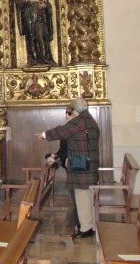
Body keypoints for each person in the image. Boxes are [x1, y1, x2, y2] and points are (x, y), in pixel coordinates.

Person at [35, 97, 100, 238]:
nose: (70, 113)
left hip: (82, 164)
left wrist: (44, 135)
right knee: (87, 195)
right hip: (89, 163)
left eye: (71, 111)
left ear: (76, 111)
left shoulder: (80, 120)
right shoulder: (89, 120)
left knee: (82, 194)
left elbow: (62, 131)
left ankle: (86, 228)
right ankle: (90, 225)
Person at [45, 107, 79, 232]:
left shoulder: (73, 129)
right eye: (66, 115)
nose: (66, 117)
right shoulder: (69, 129)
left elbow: (70, 150)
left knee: (77, 195)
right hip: (70, 164)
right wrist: (55, 156)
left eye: (69, 115)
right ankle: (79, 223)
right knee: (74, 194)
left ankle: (80, 224)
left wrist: (57, 158)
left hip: (75, 166)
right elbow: (63, 150)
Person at [15, 0, 55, 66]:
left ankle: (45, 58)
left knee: (41, 37)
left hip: (39, 20)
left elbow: (48, 5)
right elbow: (21, 5)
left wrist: (45, 6)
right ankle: (32, 59)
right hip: (28, 20)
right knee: (30, 39)